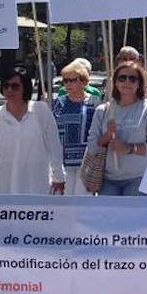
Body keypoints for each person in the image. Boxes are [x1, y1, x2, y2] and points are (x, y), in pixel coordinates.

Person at [0, 66, 65, 195]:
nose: (9, 90)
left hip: (37, 186)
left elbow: (54, 146)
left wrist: (59, 177)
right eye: (6, 86)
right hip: (6, 187)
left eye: (15, 86)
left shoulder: (41, 111)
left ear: (25, 87)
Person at [87, 61, 147, 196]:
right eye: (122, 78)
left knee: (134, 217)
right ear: (115, 82)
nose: (127, 82)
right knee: (108, 217)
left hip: (139, 179)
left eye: (132, 79)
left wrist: (129, 148)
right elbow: (92, 147)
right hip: (108, 180)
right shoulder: (103, 110)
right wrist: (107, 136)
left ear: (139, 84)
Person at [52, 60, 101, 195]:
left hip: (87, 161)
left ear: (84, 81)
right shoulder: (57, 103)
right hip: (63, 161)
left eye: (72, 80)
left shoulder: (94, 102)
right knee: (64, 201)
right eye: (65, 81)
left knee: (83, 201)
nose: (67, 84)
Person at [115, 46, 147, 111]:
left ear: (138, 61)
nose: (128, 62)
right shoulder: (113, 79)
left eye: (131, 59)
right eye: (124, 59)